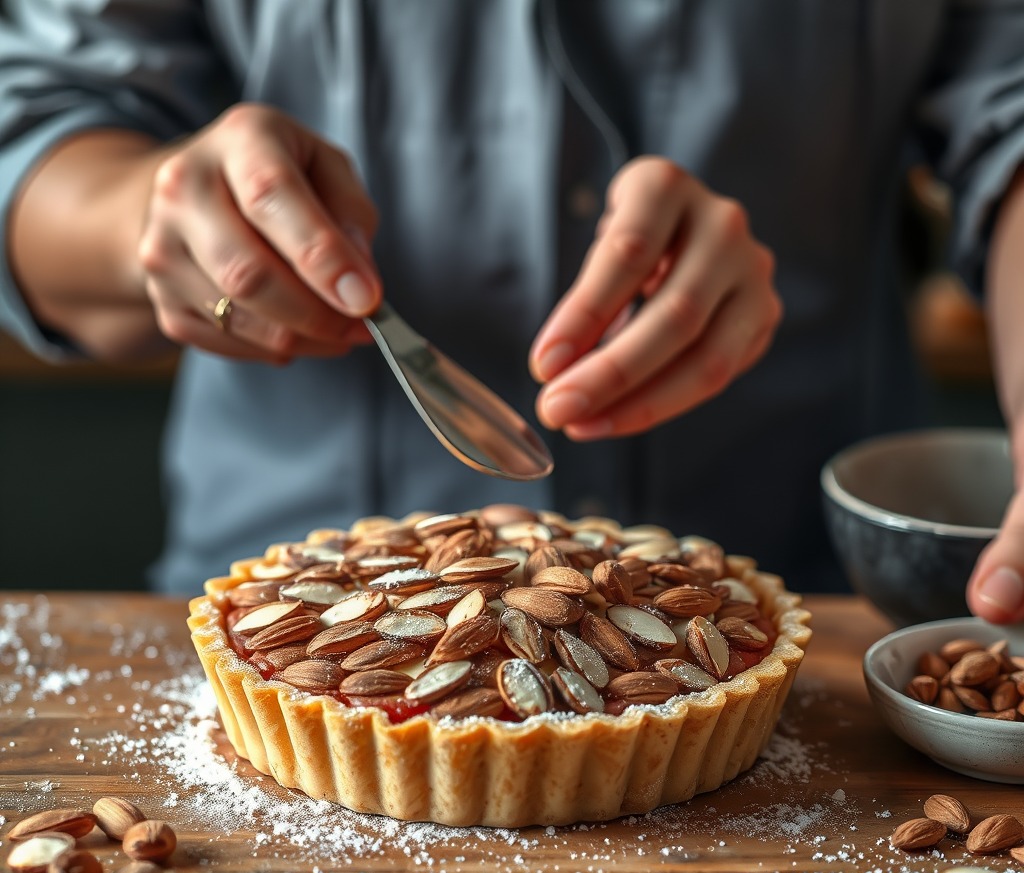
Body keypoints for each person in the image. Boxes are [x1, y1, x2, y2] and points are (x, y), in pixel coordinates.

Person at [0, 1, 1022, 618]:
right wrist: (155, 216)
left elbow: (1007, 112)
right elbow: (40, 125)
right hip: (294, 610)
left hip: (800, 606)